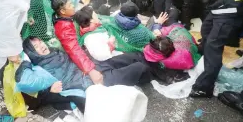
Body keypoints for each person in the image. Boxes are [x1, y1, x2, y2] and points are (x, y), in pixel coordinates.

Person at [23, 37, 151, 92]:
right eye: (36, 46)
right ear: (32, 53)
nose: (41, 46)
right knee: (139, 67)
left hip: (91, 69)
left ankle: (152, 61)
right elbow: (67, 82)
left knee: (131, 57)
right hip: (90, 81)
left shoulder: (53, 51)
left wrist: (90, 67)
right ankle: (148, 75)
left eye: (40, 42)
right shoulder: (41, 69)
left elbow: (75, 59)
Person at [74, 2, 155, 58]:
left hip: (121, 47)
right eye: (95, 14)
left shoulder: (106, 22)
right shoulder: (142, 31)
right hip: (122, 55)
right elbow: (153, 39)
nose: (97, 14)